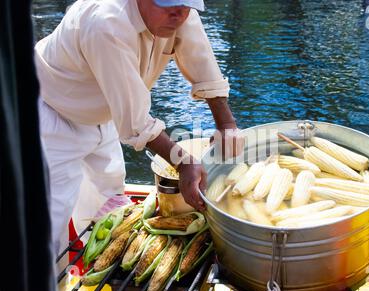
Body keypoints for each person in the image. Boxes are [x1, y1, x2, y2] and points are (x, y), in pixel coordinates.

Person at [34, 0, 243, 255]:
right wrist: (183, 162)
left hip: (104, 112)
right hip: (51, 114)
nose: (178, 13)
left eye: (186, 5)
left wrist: (226, 124)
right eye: (168, 4)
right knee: (48, 221)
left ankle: (94, 263)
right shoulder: (106, 22)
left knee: (109, 197)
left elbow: (204, 65)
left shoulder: (178, 13)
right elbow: (136, 122)